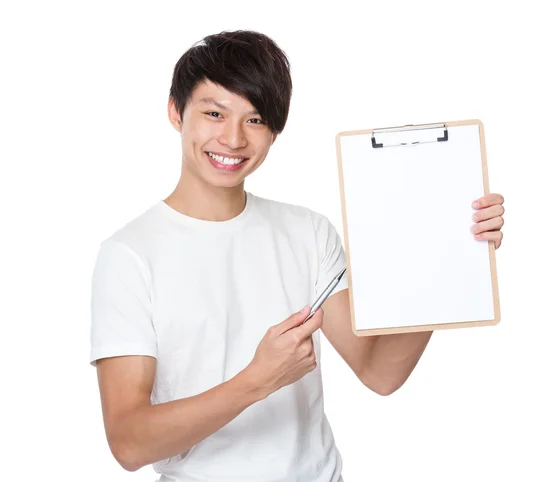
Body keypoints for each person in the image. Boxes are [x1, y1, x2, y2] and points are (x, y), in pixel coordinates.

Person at [89, 30, 505, 482]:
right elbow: (128, 442)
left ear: (274, 131)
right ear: (176, 111)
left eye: (255, 120)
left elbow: (379, 372)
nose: (232, 138)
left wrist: (448, 255)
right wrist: (256, 380)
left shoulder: (308, 232)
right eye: (214, 113)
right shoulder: (128, 255)